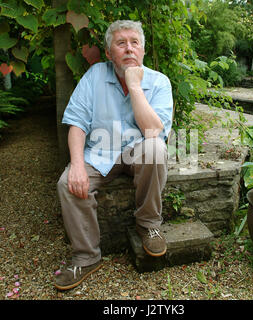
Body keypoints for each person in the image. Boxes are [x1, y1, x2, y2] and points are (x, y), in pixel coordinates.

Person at [55, 20, 173, 290]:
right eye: (121, 43)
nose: (129, 49)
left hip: (139, 151)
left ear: (142, 51)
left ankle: (148, 225)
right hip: (99, 152)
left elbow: (154, 131)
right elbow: (77, 123)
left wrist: (134, 86)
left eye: (135, 43)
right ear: (109, 53)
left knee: (155, 148)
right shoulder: (95, 75)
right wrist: (75, 165)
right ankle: (86, 256)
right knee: (67, 183)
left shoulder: (159, 82)